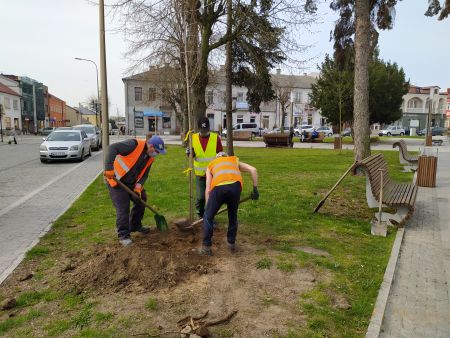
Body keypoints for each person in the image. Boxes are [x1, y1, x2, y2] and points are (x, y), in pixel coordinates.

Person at [104, 135, 166, 246]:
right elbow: (112, 148)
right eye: (156, 151)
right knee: (123, 207)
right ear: (150, 146)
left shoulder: (150, 158)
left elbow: (144, 176)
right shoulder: (133, 145)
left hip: (131, 183)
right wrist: (109, 168)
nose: (157, 154)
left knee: (142, 198)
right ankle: (123, 236)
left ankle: (135, 225)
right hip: (116, 181)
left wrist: (138, 189)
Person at [198, 152, 259, 256]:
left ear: (216, 158)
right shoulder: (233, 160)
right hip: (235, 187)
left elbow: (208, 188)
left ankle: (206, 248)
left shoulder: (211, 164)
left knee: (208, 217)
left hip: (219, 189)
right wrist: (255, 189)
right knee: (232, 216)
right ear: (226, 157)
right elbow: (253, 170)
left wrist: (208, 208)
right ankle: (231, 244)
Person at [187, 117, 223, 218]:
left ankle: (210, 215)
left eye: (206, 130)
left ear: (209, 128)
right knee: (201, 197)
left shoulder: (215, 138)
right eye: (202, 130)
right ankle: (200, 214)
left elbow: (220, 153)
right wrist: (189, 153)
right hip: (200, 174)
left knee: (212, 196)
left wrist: (221, 156)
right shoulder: (192, 138)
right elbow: (192, 154)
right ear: (198, 129)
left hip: (213, 173)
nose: (203, 132)